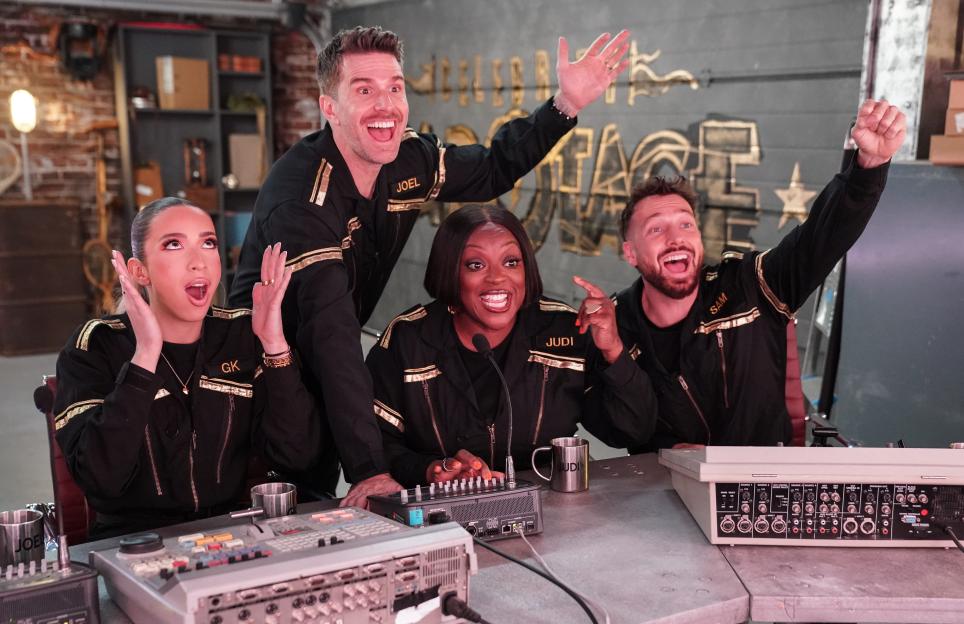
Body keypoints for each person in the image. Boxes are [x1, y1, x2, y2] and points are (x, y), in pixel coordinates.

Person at [228, 25, 632, 505]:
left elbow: (491, 169)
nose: (386, 106)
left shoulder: (406, 162)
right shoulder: (302, 200)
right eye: (364, 90)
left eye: (395, 88)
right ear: (329, 108)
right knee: (268, 517)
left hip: (321, 369)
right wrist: (371, 469)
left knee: (319, 504)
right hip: (256, 380)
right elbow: (333, 335)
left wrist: (564, 106)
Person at [607, 99, 905, 451]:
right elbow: (616, 430)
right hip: (662, 493)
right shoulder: (613, 327)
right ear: (631, 253)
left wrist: (868, 167)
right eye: (657, 229)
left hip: (765, 490)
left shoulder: (750, 285)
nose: (677, 239)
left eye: (686, 224)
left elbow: (820, 239)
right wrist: (664, 453)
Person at [54, 197, 323, 538]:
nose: (198, 262)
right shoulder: (96, 344)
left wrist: (274, 344)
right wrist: (146, 355)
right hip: (131, 542)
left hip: (232, 536)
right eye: (174, 245)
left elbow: (298, 455)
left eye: (208, 243)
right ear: (140, 271)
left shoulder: (243, 334)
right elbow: (99, 477)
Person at [365, 205, 655, 486]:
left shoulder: (567, 331)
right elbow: (372, 446)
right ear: (449, 271)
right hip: (442, 523)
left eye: (511, 262)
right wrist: (431, 470)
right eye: (475, 265)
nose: (497, 278)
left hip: (551, 513)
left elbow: (632, 432)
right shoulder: (408, 339)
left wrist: (613, 350)